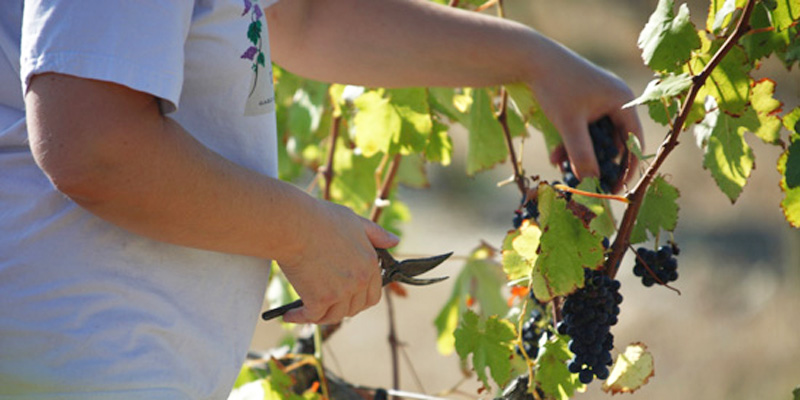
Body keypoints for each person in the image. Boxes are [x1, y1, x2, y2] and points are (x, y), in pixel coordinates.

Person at [0, 0, 643, 398]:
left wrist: (533, 59)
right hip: (79, 365)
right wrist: (301, 233)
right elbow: (91, 144)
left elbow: (301, 16)